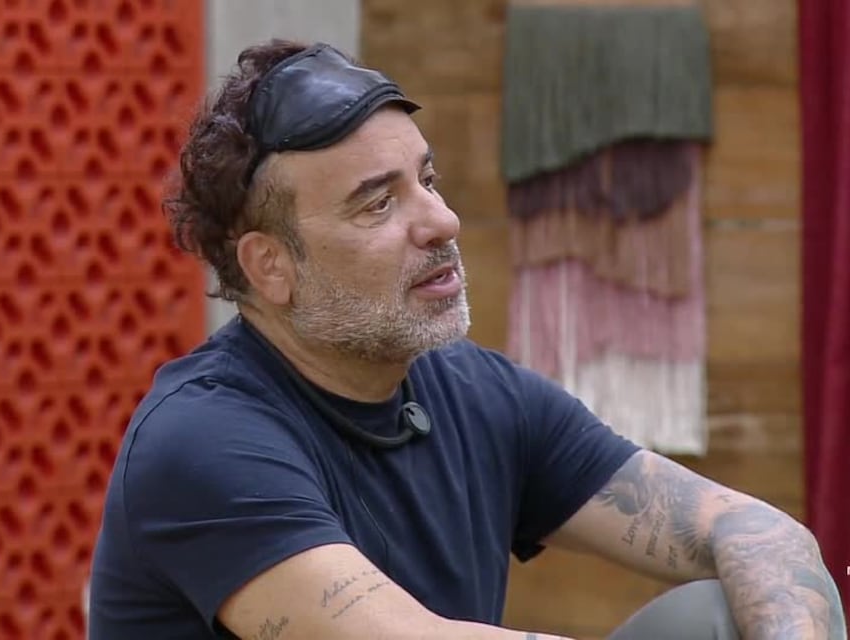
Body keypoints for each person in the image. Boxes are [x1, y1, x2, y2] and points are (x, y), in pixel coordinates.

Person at [87, 40, 846, 639]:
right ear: (271, 266)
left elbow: (758, 533)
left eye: (428, 179)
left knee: (723, 612)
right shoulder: (201, 441)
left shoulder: (475, 391)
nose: (442, 221)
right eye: (378, 205)